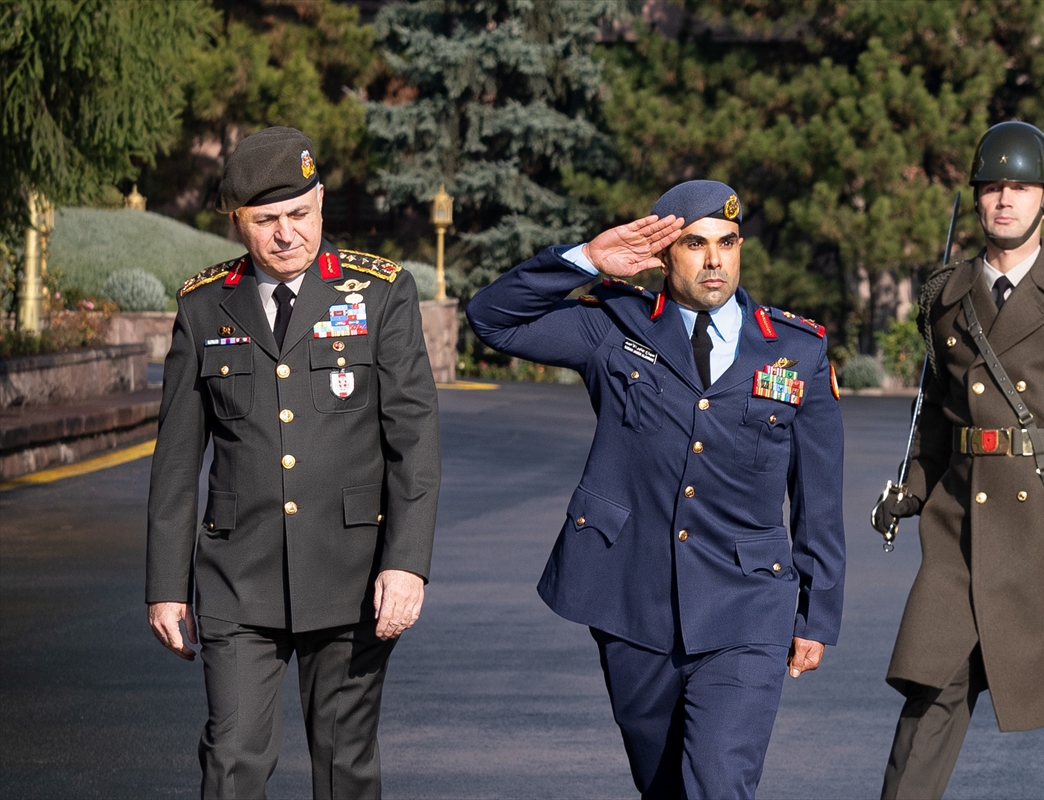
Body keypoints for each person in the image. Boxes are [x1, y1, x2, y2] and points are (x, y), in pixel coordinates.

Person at [467, 180, 846, 799]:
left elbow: (820, 497)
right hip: (632, 598)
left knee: (719, 782)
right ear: (665, 255)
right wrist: (587, 260)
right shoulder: (613, 327)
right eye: (694, 244)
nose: (714, 260)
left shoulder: (796, 350)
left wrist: (818, 613)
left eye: (726, 242)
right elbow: (492, 319)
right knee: (665, 785)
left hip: (748, 602)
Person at [145, 126, 441, 799]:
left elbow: (414, 438)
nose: (287, 235)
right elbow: (177, 455)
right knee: (232, 761)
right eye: (266, 221)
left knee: (343, 766)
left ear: (321, 200)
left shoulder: (380, 293)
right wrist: (166, 583)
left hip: (351, 573)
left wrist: (406, 563)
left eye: (300, 215)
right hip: (236, 576)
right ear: (237, 221)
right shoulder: (202, 305)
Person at [871, 121, 1044, 800]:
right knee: (928, 704)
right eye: (993, 187)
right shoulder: (946, 297)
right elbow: (936, 415)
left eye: (1020, 187)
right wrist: (912, 486)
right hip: (960, 531)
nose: (1005, 200)